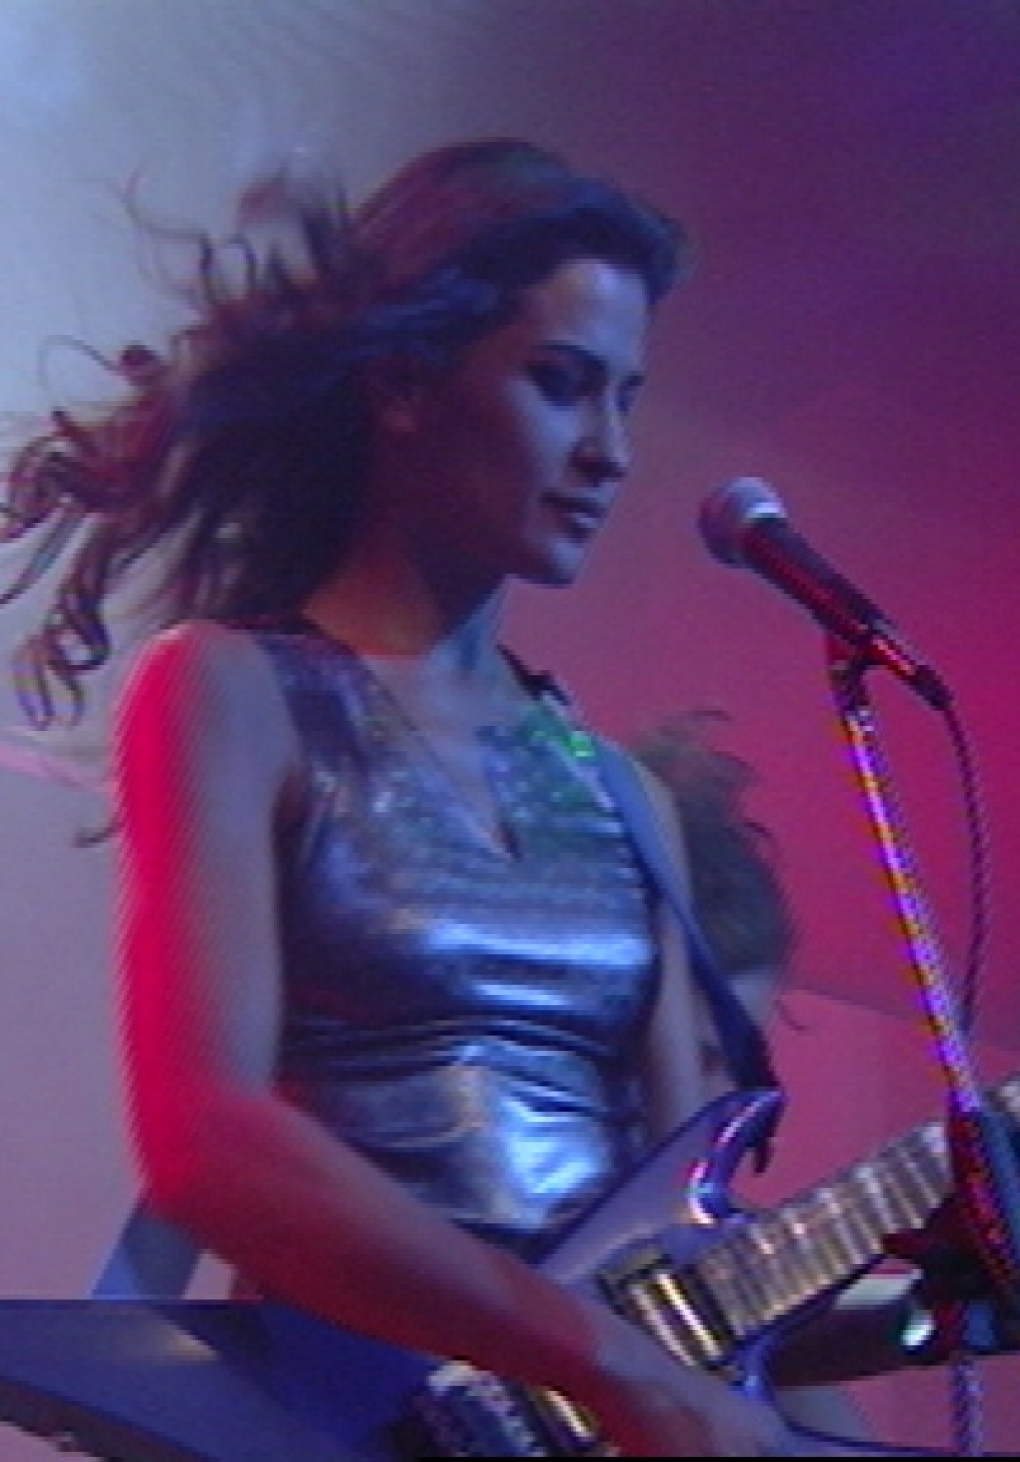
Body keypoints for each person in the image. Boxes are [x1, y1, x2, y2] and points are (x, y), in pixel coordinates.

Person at [0, 135, 1012, 1457]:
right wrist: (611, 1361)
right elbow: (209, 1141)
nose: (611, 451)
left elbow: (683, 1266)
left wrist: (934, 1308)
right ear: (405, 385)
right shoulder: (231, 690)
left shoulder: (622, 797)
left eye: (627, 400)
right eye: (562, 385)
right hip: (339, 1417)